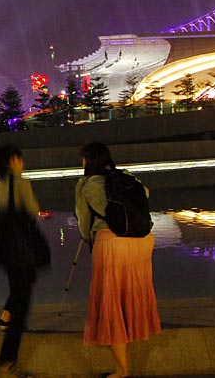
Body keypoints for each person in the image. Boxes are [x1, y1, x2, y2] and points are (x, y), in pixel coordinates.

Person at [75, 142, 160, 378]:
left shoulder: (86, 184)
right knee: (131, 299)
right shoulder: (127, 177)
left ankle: (121, 371)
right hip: (142, 243)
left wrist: (88, 238)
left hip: (112, 245)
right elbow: (145, 195)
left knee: (112, 306)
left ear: (88, 161)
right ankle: (127, 354)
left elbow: (84, 220)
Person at [0, 144, 41, 378]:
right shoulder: (21, 184)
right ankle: (7, 362)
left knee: (20, 289)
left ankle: (6, 317)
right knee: (21, 305)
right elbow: (33, 210)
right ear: (13, 162)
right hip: (20, 251)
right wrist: (17, 179)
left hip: (3, 251)